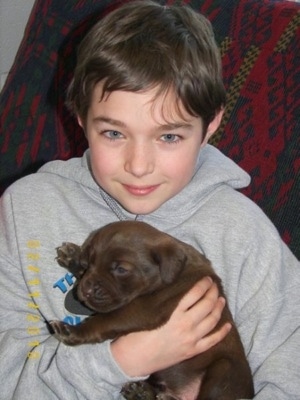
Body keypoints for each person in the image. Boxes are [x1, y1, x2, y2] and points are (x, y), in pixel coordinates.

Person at [0, 0, 299, 399]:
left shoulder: (240, 231)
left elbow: (290, 364)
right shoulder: (26, 210)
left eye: (169, 137)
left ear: (210, 125)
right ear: (81, 118)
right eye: (114, 133)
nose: (139, 166)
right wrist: (122, 360)